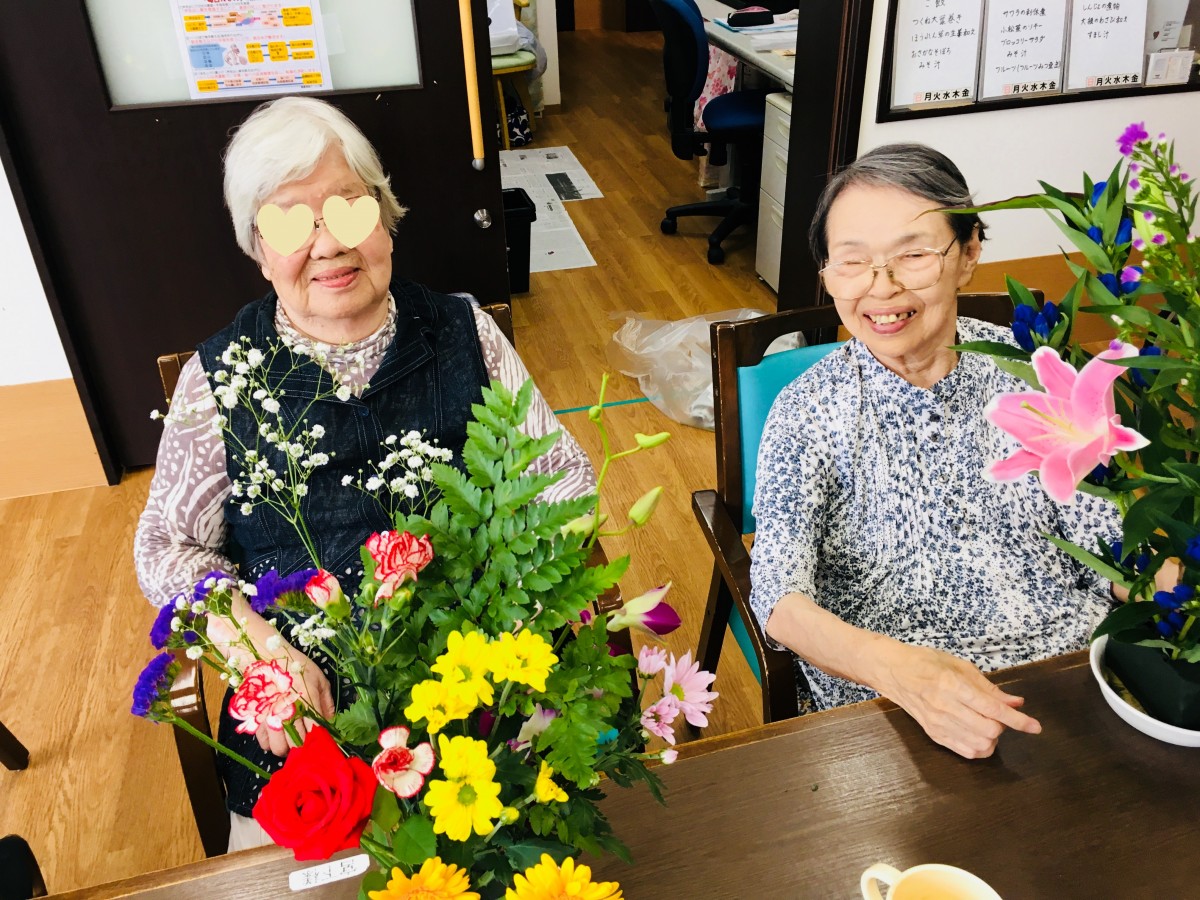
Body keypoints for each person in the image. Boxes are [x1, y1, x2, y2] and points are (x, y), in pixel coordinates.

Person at [134, 96, 595, 849]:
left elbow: (564, 481)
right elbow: (166, 546)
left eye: (350, 209)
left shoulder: (465, 333)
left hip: (478, 698)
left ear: (384, 216)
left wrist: (507, 617)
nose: (329, 245)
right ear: (258, 249)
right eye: (291, 224)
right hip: (307, 727)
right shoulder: (220, 378)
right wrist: (255, 649)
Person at [748, 143, 1123, 760]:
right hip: (891, 704)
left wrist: (1175, 598)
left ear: (969, 253)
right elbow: (780, 600)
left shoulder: (1034, 374)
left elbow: (1113, 547)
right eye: (852, 262)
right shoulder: (808, 410)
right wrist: (901, 673)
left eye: (913, 255)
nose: (882, 288)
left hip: (1071, 679)